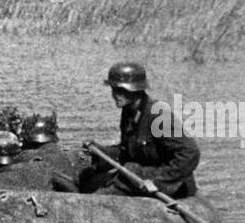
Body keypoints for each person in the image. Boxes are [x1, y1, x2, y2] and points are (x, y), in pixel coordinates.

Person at [67, 62, 199, 198]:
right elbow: (127, 151)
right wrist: (101, 152)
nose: (116, 95)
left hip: (166, 180)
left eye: (123, 91)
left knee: (101, 196)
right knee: (89, 180)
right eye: (114, 89)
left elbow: (190, 153)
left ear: (137, 90)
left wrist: (159, 182)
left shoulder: (158, 114)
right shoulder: (129, 111)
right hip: (141, 172)